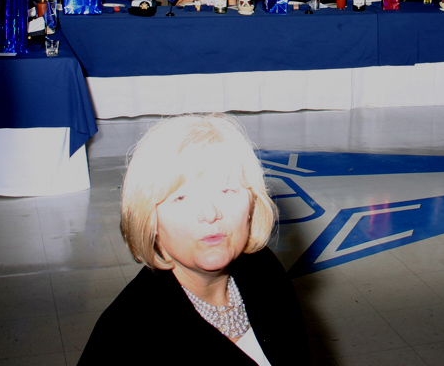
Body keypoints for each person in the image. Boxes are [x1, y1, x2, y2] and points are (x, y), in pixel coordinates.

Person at [77, 114, 309, 365]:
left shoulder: (265, 270)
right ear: (149, 220)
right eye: (181, 198)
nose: (210, 214)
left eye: (226, 190)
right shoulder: (124, 335)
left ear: (252, 203)